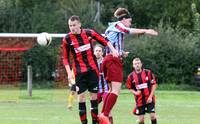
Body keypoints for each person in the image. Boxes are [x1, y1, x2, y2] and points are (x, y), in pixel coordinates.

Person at [98, 8, 158, 124]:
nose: (130, 24)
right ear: (124, 19)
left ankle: (103, 114)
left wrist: (121, 53)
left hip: (109, 59)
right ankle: (104, 115)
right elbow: (128, 31)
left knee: (111, 90)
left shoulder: (112, 28)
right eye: (129, 21)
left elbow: (109, 44)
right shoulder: (118, 25)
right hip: (112, 61)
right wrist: (146, 31)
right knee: (115, 91)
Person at [62, 15, 119, 124]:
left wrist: (113, 50)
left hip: (93, 71)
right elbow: (65, 58)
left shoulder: (89, 33)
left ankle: (94, 122)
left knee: (93, 98)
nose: (72, 28)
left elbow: (104, 40)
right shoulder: (67, 39)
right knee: (81, 98)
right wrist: (69, 73)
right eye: (70, 26)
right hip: (79, 73)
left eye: (74, 25)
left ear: (79, 24)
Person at [126, 57, 157, 124]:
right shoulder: (130, 76)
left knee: (152, 116)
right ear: (133, 65)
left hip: (149, 99)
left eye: (138, 63)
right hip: (139, 100)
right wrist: (135, 93)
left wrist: (150, 97)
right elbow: (129, 87)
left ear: (141, 64)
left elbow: (154, 84)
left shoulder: (148, 73)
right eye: (135, 64)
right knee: (141, 121)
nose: (137, 65)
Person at [93, 45, 113, 124]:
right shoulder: (91, 63)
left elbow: (111, 76)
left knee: (108, 111)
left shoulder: (106, 62)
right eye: (96, 51)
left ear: (102, 52)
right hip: (96, 90)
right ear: (94, 52)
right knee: (93, 109)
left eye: (99, 51)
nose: (98, 52)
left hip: (106, 90)